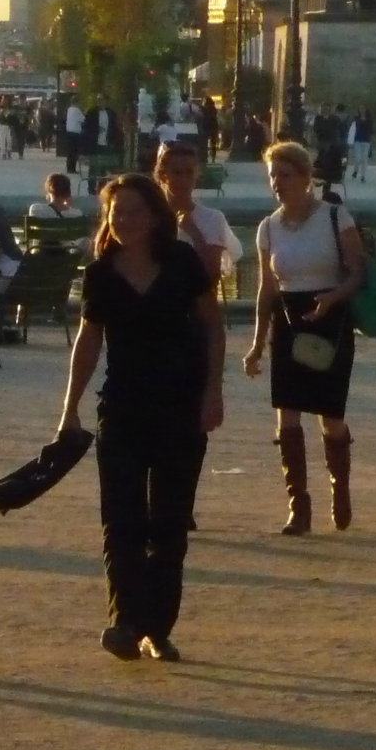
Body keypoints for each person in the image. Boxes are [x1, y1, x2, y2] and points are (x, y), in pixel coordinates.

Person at [56, 173, 223, 661]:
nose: (124, 220)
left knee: (169, 523)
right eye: (116, 212)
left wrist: (214, 392)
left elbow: (213, 327)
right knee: (121, 520)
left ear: (154, 217)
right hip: (123, 406)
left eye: (134, 211)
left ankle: (158, 626)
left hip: (180, 406)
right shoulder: (100, 273)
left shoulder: (182, 263)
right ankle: (125, 620)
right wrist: (70, 408)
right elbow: (89, 344)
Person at [244, 141, 366, 535]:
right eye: (272, 177)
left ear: (305, 177)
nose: (277, 183)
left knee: (330, 417)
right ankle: (299, 504)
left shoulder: (334, 216)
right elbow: (266, 289)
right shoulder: (268, 227)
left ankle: (340, 484)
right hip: (289, 320)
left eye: (284, 175)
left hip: (331, 316)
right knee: (288, 413)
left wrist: (332, 298)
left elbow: (357, 271)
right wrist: (257, 343)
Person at [155, 140, 241, 291]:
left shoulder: (213, 218)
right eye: (176, 173)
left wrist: (194, 232)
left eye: (189, 172)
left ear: (197, 174)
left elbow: (212, 274)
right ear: (163, 175)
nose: (183, 180)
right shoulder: (149, 218)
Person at [347, 107, 374, 181]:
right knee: (358, 158)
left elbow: (371, 130)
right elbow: (352, 129)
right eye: (361, 108)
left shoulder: (369, 120)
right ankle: (356, 170)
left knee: (364, 159)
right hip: (357, 140)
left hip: (366, 141)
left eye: (363, 108)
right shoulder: (356, 119)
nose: (362, 110)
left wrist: (372, 139)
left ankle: (363, 176)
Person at [61, 98, 85, 175]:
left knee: (70, 151)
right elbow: (83, 119)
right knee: (74, 151)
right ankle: (73, 168)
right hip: (75, 133)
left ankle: (69, 167)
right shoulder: (77, 110)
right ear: (76, 102)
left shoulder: (69, 109)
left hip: (69, 132)